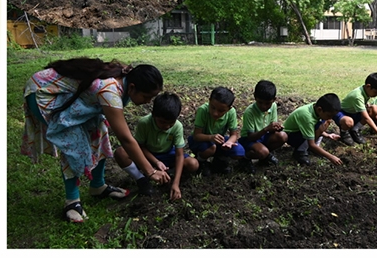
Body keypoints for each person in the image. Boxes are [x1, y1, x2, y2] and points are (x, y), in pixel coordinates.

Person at [22, 57, 170, 223]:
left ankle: (98, 186)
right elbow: (125, 139)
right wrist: (150, 171)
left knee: (99, 131)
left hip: (69, 94)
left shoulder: (126, 78)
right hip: (43, 91)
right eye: (146, 97)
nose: (148, 102)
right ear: (133, 87)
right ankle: (72, 202)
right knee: (74, 143)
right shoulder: (110, 92)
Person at [114, 92, 198, 200]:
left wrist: (176, 184)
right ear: (154, 115)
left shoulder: (177, 126)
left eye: (171, 123)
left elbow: (179, 155)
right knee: (121, 153)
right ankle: (142, 179)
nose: (167, 126)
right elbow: (140, 147)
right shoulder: (144, 123)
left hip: (168, 154)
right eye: (162, 122)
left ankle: (169, 175)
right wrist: (156, 162)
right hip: (147, 156)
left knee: (193, 163)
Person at [187, 87, 243, 175]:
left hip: (218, 139)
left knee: (239, 152)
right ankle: (201, 161)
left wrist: (229, 142)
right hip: (201, 140)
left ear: (229, 109)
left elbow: (234, 135)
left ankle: (219, 160)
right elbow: (196, 135)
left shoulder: (231, 112)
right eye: (213, 107)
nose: (215, 113)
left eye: (221, 111)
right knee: (211, 148)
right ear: (209, 101)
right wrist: (211, 137)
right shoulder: (203, 110)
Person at [237, 80, 288, 174]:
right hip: (249, 139)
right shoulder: (250, 112)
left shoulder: (273, 106)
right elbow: (250, 136)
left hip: (264, 136)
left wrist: (276, 128)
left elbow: (272, 125)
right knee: (262, 151)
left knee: (283, 136)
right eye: (260, 102)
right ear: (255, 97)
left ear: (274, 99)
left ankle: (265, 156)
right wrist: (266, 129)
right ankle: (245, 159)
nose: (263, 106)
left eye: (267, 103)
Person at [282, 93, 343, 166]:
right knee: (320, 125)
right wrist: (331, 157)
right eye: (329, 115)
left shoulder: (315, 107)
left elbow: (311, 129)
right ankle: (300, 152)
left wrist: (327, 135)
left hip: (301, 132)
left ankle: (311, 148)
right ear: (320, 109)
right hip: (291, 136)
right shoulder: (307, 117)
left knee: (324, 122)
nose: (330, 118)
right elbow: (311, 144)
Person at [335, 72, 377, 151]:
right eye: (376, 92)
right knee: (348, 122)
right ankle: (344, 132)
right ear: (368, 86)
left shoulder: (365, 90)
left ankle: (355, 130)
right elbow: (367, 118)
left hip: (354, 113)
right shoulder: (358, 96)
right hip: (343, 113)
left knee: (375, 109)